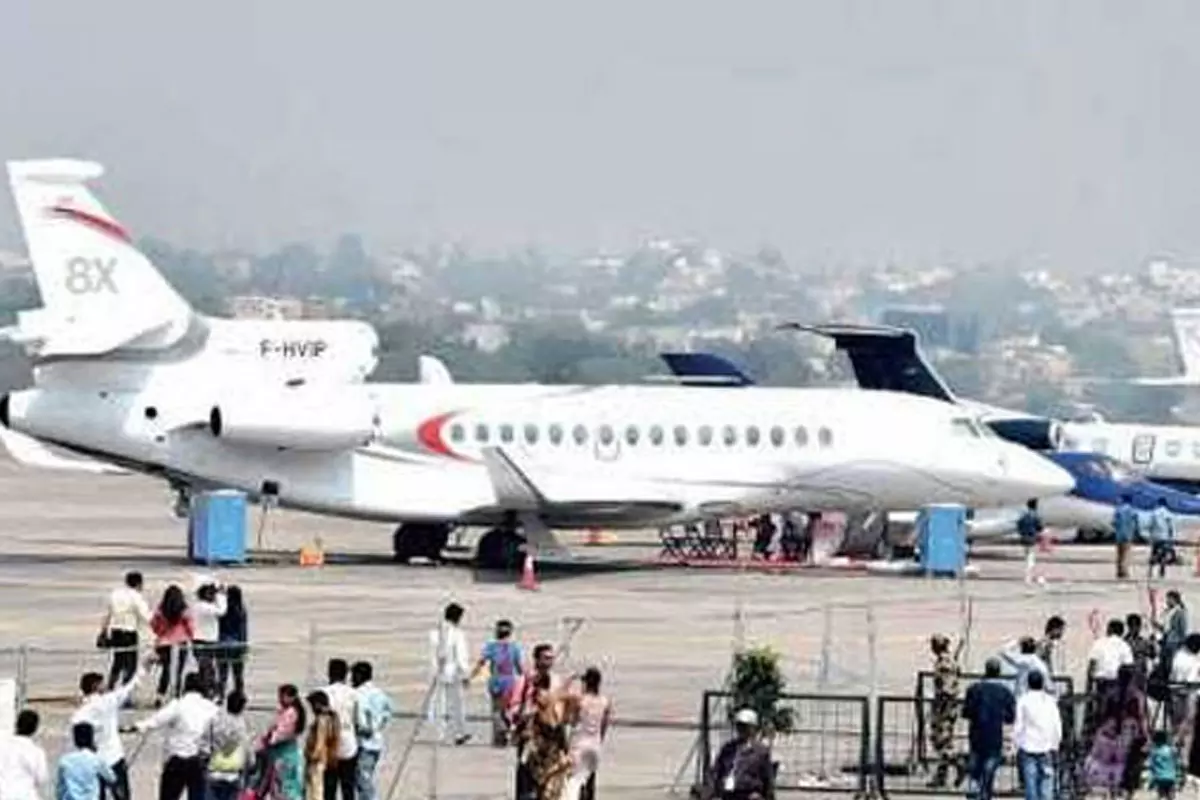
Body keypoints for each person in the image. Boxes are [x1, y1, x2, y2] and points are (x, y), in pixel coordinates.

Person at [71, 656, 148, 800]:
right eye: (102, 684)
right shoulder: (109, 701)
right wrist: (145, 667)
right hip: (114, 757)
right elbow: (132, 686)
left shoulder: (79, 715)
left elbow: (78, 740)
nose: (105, 686)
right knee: (122, 796)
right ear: (96, 686)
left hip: (93, 761)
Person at [133, 672, 218, 800]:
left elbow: (156, 720)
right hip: (200, 760)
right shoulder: (212, 708)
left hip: (177, 759)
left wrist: (138, 726)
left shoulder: (178, 705)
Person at [961, 658, 1015, 800]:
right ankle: (985, 790)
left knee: (975, 762)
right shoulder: (1005, 691)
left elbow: (966, 712)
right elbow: (1011, 717)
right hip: (994, 732)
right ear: (999, 673)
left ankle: (974, 788)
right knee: (991, 760)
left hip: (976, 732)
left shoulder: (973, 689)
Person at [470, 619, 525, 747]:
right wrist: (525, 680)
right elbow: (519, 667)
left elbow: (481, 662)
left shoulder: (492, 647)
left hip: (496, 681)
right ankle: (506, 734)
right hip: (510, 682)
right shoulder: (514, 648)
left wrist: (471, 676)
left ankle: (500, 736)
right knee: (507, 710)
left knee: (496, 711)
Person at [705, 708, 775, 800]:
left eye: (745, 726)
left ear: (753, 728)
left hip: (749, 795)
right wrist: (713, 793)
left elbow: (767, 779)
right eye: (739, 726)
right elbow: (716, 771)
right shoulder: (728, 748)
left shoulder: (760, 751)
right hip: (729, 794)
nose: (741, 729)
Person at [98, 571, 151, 691]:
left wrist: (103, 631)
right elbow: (146, 616)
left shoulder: (115, 594)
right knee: (130, 665)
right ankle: (125, 691)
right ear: (139, 584)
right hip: (129, 633)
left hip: (115, 631)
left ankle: (110, 687)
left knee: (117, 662)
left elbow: (107, 614)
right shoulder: (136, 597)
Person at [564, 667, 612, 800]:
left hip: (578, 744)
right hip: (594, 745)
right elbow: (604, 725)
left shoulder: (580, 700)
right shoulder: (605, 701)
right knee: (589, 781)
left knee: (573, 783)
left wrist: (570, 679)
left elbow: (571, 721)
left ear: (585, 683)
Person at [1014, 671, 1062, 800]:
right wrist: (1055, 743)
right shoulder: (1050, 701)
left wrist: (1016, 743)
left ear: (1028, 683)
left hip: (1028, 746)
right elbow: (1056, 724)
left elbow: (1019, 724)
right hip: (1046, 746)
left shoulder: (1023, 700)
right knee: (1047, 782)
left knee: (1031, 783)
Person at [428, 602, 471, 746]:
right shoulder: (457, 634)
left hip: (439, 672)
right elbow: (461, 656)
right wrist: (465, 674)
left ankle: (441, 733)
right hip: (453, 672)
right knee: (456, 704)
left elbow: (433, 655)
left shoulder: (435, 633)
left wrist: (434, 672)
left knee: (441, 703)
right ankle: (458, 733)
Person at [350, 661, 393, 800]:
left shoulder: (358, 694)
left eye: (353, 675)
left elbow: (360, 718)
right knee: (365, 776)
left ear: (359, 676)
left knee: (363, 779)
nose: (351, 679)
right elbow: (388, 711)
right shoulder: (379, 693)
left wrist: (364, 728)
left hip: (363, 743)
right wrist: (378, 726)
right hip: (377, 742)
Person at [255, 685, 306, 800]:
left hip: (283, 755)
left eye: (281, 696)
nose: (279, 699)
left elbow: (280, 734)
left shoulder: (290, 714)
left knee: (283, 787)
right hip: (288, 753)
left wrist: (268, 739)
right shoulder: (290, 711)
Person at [927, 633, 963, 788]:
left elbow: (947, 689)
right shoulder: (948, 660)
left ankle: (959, 763)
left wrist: (938, 709)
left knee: (940, 741)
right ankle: (941, 776)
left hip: (945, 708)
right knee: (945, 741)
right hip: (948, 707)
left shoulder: (944, 663)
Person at [149, 585, 194, 705]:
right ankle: (176, 694)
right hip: (181, 642)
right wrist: (191, 636)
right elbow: (190, 626)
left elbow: (153, 624)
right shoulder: (184, 609)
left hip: (164, 643)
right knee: (179, 670)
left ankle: (160, 695)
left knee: (166, 670)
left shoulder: (161, 609)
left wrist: (160, 633)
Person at [202, 691, 252, 800]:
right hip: (233, 773)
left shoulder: (215, 720)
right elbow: (248, 752)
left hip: (214, 770)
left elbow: (204, 745)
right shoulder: (242, 726)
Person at [322, 660, 359, 800]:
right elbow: (357, 720)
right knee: (348, 787)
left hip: (329, 744)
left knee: (328, 788)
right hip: (349, 743)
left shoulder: (323, 693)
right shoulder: (353, 694)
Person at [56, 724, 115, 800]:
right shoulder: (96, 759)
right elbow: (111, 778)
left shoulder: (64, 760)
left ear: (75, 739)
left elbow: (60, 788)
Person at [0, 709, 49, 800]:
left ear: (16, 724)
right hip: (26, 795)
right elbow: (41, 778)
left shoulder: (2, 746)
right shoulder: (36, 752)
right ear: (35, 729)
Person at [190, 582, 226, 693]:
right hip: (206, 640)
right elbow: (222, 611)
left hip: (197, 639)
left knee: (204, 668)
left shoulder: (196, 606)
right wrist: (221, 596)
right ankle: (208, 690)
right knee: (207, 668)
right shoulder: (205, 607)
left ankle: (206, 689)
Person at [305, 691, 341, 800]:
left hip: (319, 761)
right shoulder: (334, 716)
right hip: (331, 759)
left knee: (316, 793)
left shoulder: (322, 719)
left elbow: (320, 740)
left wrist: (312, 756)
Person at [216, 585, 248, 700]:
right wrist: (244, 645)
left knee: (222, 673)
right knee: (238, 674)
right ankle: (239, 694)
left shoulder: (223, 609)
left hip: (223, 643)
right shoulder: (241, 609)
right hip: (237, 644)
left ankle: (220, 695)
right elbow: (243, 630)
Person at [1088, 618, 1134, 691]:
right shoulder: (1124, 646)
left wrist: (1089, 687)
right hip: (1116, 684)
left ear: (1109, 630)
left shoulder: (1099, 643)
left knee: (1101, 701)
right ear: (1122, 632)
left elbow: (1092, 665)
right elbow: (1129, 667)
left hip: (1100, 683)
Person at [1147, 498, 1178, 580]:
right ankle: (1161, 571)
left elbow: (1150, 525)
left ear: (1158, 503)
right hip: (1165, 537)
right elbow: (1171, 526)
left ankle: (1150, 571)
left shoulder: (1154, 513)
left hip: (1156, 537)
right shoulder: (1169, 513)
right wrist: (1172, 537)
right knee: (1164, 555)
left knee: (1154, 552)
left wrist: (1150, 536)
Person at [1016, 499, 1044, 585]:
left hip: (1024, 538)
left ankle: (1033, 576)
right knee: (1030, 559)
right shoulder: (1035, 516)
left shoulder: (1023, 516)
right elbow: (1040, 527)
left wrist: (1021, 533)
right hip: (1032, 538)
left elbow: (1018, 525)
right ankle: (1029, 578)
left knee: (1028, 557)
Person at [1125, 613, 1157, 684]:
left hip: (1141, 675)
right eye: (1132, 626)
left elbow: (1153, 655)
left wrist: (1152, 644)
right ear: (1129, 627)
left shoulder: (1143, 641)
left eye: (1137, 626)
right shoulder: (1124, 642)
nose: (1135, 628)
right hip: (1128, 676)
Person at [1112, 494, 1139, 580]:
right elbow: (1136, 523)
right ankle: (1124, 571)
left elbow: (1114, 522)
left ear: (1123, 500)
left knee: (1119, 554)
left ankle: (1119, 571)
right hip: (1128, 534)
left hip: (1119, 535)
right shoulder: (1133, 511)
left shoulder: (1118, 510)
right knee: (1126, 554)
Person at [1148, 730, 1178, 800]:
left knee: (1160, 796)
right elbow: (1176, 762)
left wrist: (1151, 780)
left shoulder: (1154, 751)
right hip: (1171, 777)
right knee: (1170, 797)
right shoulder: (1171, 750)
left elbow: (1152, 766)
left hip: (1159, 778)